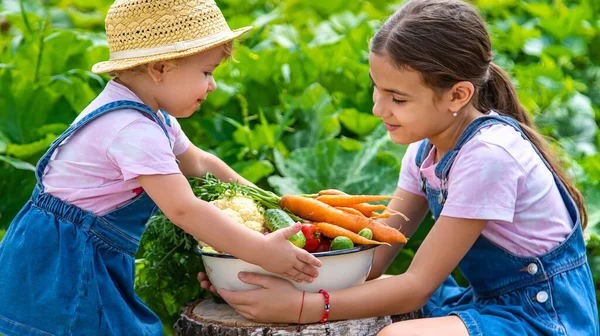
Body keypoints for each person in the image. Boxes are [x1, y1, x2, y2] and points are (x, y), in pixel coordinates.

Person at [198, 0, 599, 334]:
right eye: (376, 88)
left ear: (457, 94)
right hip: (486, 302)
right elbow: (374, 262)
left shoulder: (489, 156)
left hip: (544, 317)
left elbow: (417, 287)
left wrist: (301, 307)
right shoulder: (426, 149)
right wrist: (257, 279)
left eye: (397, 98)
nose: (378, 109)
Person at [0, 0, 322, 335]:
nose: (212, 86)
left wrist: (269, 201)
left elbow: (199, 162)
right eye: (206, 72)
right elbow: (183, 209)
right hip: (63, 263)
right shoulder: (132, 130)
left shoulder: (151, 114)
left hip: (75, 250)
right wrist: (260, 252)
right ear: (160, 68)